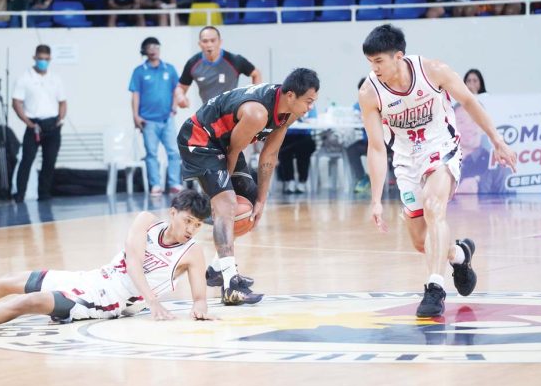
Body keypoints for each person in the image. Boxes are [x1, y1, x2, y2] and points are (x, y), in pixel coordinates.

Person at [357, 24, 517, 317]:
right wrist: (376, 198)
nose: (374, 68)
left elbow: (469, 101)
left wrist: (497, 140)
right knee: (421, 242)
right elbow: (377, 148)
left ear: (399, 57)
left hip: (441, 148)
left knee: (434, 208)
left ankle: (434, 288)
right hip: (405, 160)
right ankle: (459, 255)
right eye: (370, 62)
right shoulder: (369, 92)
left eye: (379, 61)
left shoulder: (433, 71)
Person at [0, 190, 216, 331]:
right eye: (188, 221)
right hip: (91, 279)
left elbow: (199, 297)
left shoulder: (193, 254)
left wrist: (199, 308)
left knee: (28, 301)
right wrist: (154, 301)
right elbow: (133, 262)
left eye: (197, 226)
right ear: (173, 213)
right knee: (13, 280)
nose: (191, 230)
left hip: (109, 301)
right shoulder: (146, 220)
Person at [177, 69, 320, 305]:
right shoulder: (257, 113)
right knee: (228, 204)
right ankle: (230, 285)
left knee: (251, 206)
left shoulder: (289, 112)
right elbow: (232, 152)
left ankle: (216, 270)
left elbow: (269, 155)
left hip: (225, 142)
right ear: (291, 95)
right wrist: (222, 193)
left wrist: (261, 199)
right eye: (308, 101)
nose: (310, 107)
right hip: (200, 139)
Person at [12, 44, 67, 203]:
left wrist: (60, 120)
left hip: (52, 124)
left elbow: (63, 102)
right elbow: (16, 102)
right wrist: (28, 122)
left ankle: (44, 194)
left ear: (50, 59)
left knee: (49, 162)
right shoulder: (25, 78)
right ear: (35, 58)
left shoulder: (55, 78)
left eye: (46, 59)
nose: (43, 62)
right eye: (40, 59)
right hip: (34, 125)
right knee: (27, 160)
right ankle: (20, 194)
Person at [129, 37, 183, 196]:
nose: (153, 49)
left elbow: (177, 89)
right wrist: (135, 116)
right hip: (148, 121)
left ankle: (174, 183)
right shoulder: (139, 71)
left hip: (167, 118)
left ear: (159, 48)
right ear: (144, 51)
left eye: (155, 46)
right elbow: (135, 95)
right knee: (151, 154)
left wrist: (174, 107)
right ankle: (156, 185)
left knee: (173, 151)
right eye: (149, 47)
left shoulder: (169, 69)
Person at [175, 26, 262, 107]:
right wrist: (180, 97)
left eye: (213, 40)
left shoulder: (235, 60)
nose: (209, 44)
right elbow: (181, 87)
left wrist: (254, 98)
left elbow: (256, 74)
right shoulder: (193, 63)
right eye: (205, 41)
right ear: (199, 43)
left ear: (220, 42)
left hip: (231, 110)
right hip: (208, 112)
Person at [454, 106, 512, 194]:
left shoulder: (498, 165)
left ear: (484, 126)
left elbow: (507, 203)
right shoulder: (440, 162)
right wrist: (456, 193)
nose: (468, 128)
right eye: (461, 122)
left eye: (474, 121)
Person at [277, 115, 316, 194]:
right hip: (287, 135)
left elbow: (312, 120)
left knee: (305, 148)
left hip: (303, 135)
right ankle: (289, 180)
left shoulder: (309, 105)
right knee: (284, 149)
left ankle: (302, 181)